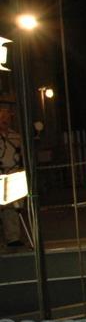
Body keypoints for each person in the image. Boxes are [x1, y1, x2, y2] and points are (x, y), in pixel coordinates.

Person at [0, 105, 25, 247]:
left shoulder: (16, 137)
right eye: (1, 116)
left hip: (13, 175)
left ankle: (13, 237)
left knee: (13, 208)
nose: (4, 119)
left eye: (6, 115)